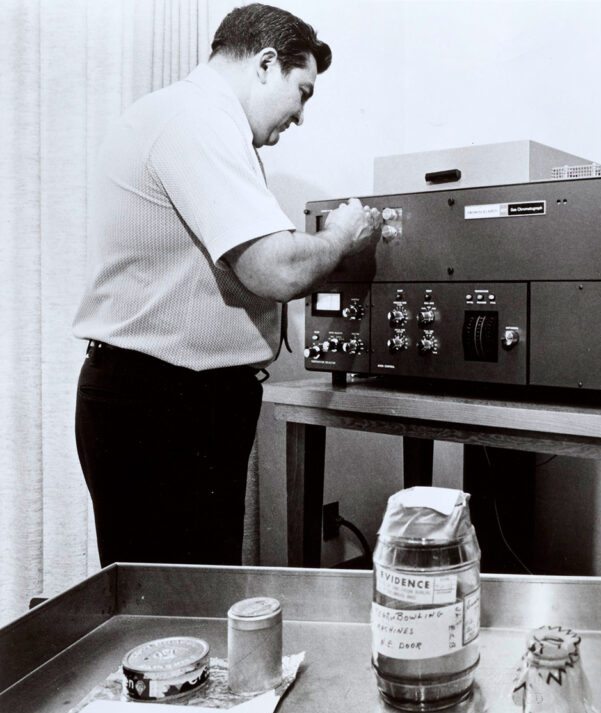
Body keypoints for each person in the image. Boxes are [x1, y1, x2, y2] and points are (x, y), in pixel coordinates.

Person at [73, 3, 381, 567]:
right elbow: (277, 269)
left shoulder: (190, 118)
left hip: (174, 400)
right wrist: (340, 237)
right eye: (303, 92)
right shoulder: (195, 118)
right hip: (162, 404)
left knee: (189, 606)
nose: (300, 118)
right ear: (265, 64)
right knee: (175, 614)